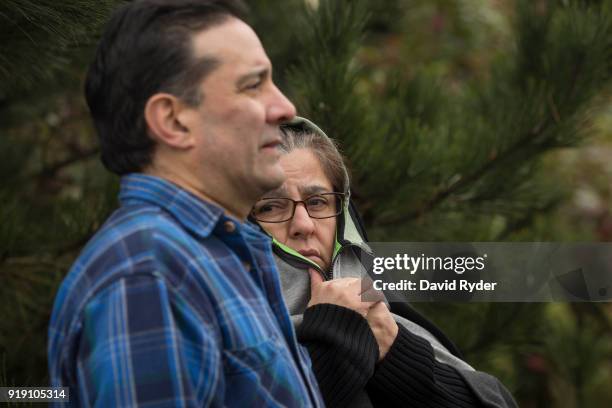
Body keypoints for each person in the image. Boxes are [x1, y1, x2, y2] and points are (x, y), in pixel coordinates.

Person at [47, 1, 324, 406]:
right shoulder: (150, 277)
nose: (285, 108)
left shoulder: (217, 256)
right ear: (174, 121)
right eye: (253, 85)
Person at [252, 117, 518, 407]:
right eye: (270, 207)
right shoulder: (219, 334)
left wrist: (394, 348)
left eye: (317, 202)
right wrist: (334, 332)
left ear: (343, 218)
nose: (304, 225)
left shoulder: (385, 317)